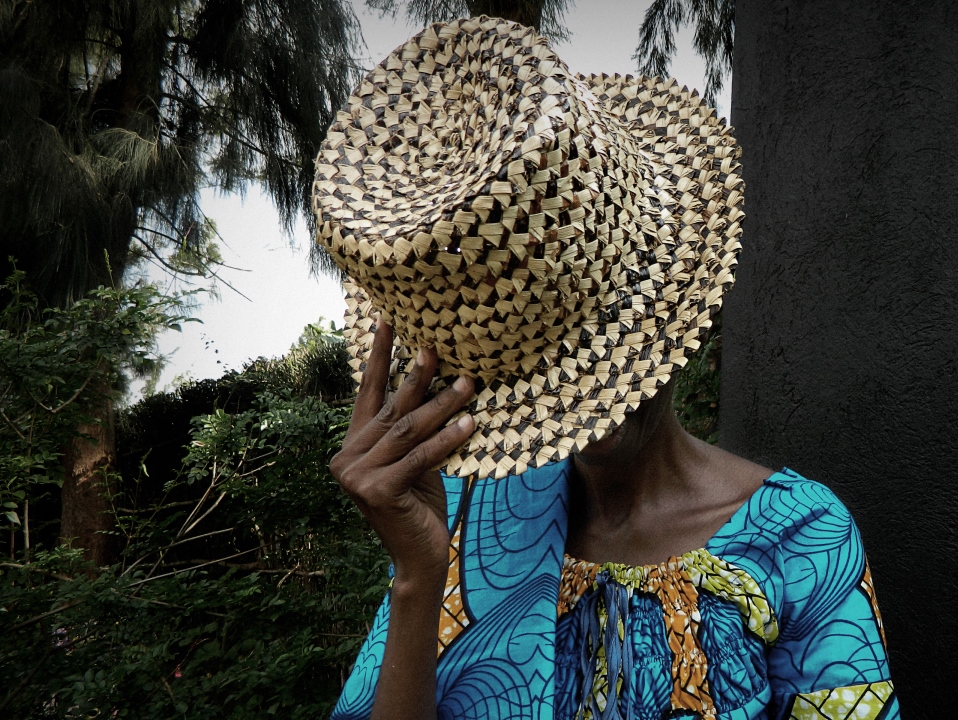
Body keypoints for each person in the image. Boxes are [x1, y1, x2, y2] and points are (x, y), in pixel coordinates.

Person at [315, 17, 898, 720]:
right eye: (533, 369)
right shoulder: (463, 526)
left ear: (675, 302)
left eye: (592, 344)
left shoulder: (802, 539)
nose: (581, 405)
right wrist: (416, 577)